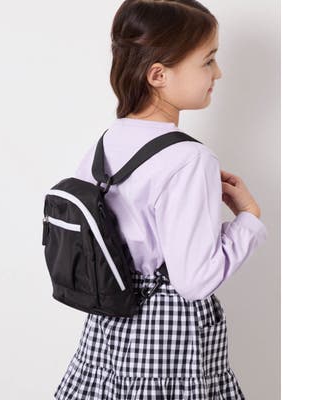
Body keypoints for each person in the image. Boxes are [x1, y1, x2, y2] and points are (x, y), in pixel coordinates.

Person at [54, 1, 268, 399]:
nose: (218, 73)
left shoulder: (106, 142)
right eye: (208, 61)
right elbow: (194, 280)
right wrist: (248, 219)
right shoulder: (190, 159)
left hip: (108, 327)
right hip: (167, 338)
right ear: (158, 74)